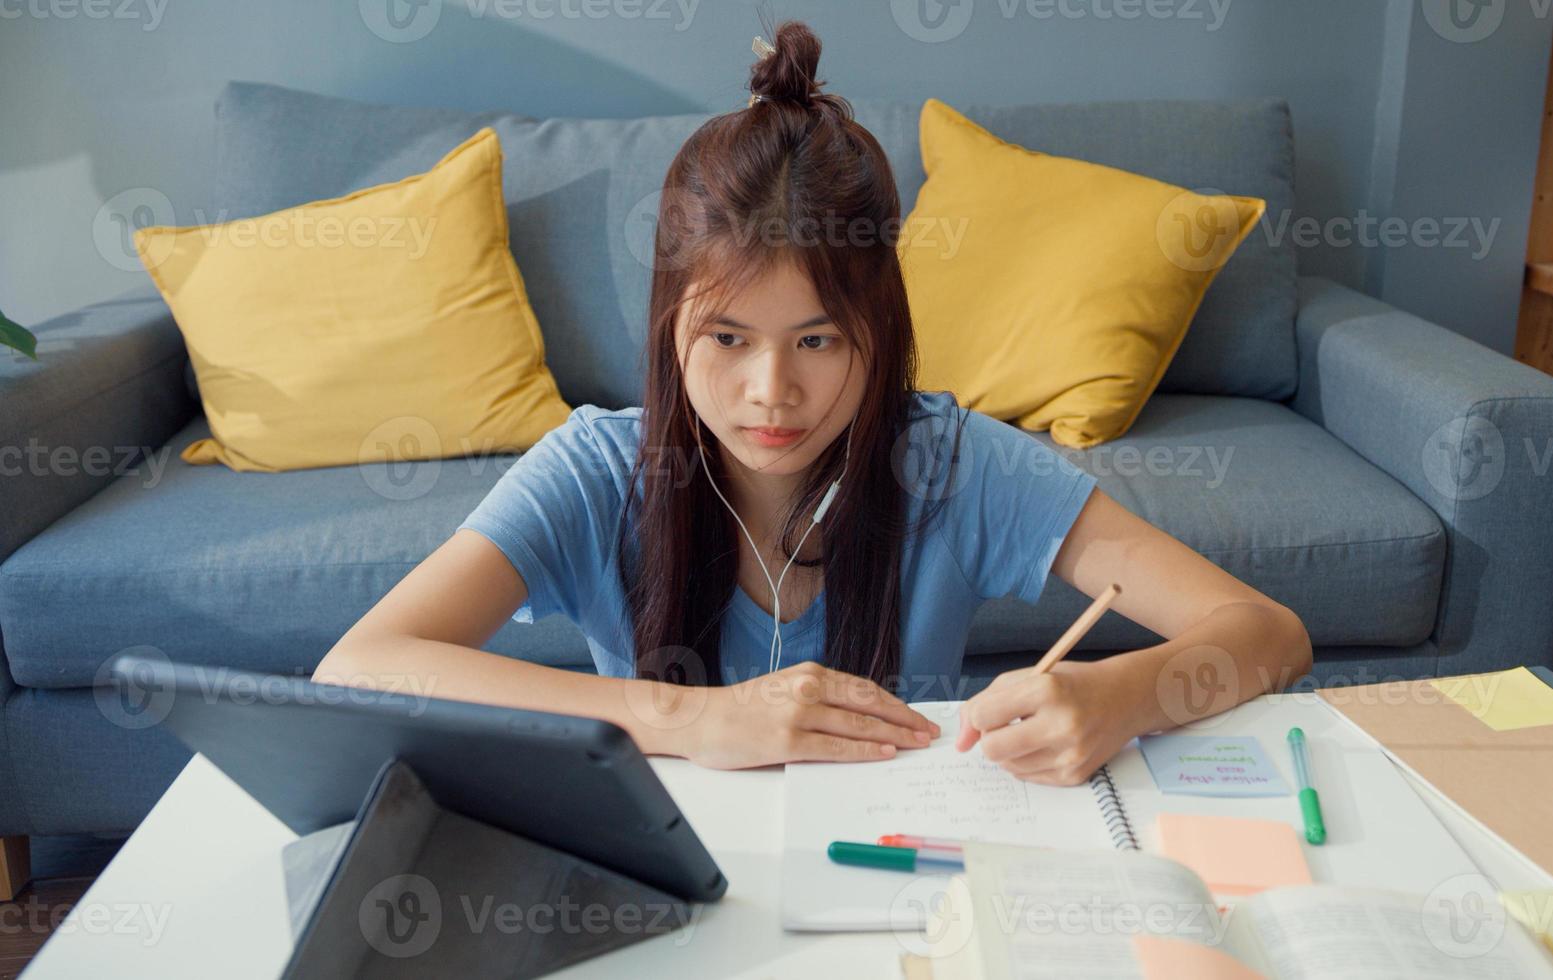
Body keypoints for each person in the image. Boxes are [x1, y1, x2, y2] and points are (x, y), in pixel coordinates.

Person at [314, 19, 1310, 786]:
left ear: (880, 331)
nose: (770, 392)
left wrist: (1119, 693)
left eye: (819, 340)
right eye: (727, 339)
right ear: (670, 327)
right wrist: (698, 719)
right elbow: (359, 667)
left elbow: (1265, 630)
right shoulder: (597, 468)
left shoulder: (951, 462)